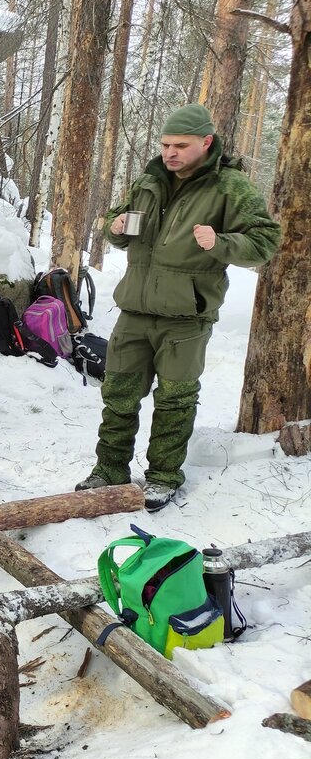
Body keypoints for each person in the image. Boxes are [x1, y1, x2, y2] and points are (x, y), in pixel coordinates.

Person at [75, 103, 280, 511]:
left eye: (180, 145)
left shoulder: (229, 186)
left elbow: (266, 240)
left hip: (186, 318)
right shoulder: (150, 181)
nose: (170, 152)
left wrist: (222, 243)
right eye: (166, 144)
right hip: (136, 309)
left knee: (175, 400)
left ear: (206, 142)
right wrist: (114, 227)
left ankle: (163, 477)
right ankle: (109, 469)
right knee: (117, 394)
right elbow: (121, 221)